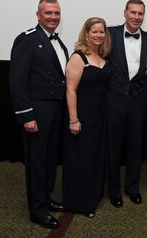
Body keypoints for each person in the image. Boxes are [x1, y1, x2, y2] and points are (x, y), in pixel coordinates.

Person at [9, 0, 68, 229]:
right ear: (38, 15)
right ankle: (37, 210)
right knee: (36, 162)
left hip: (56, 111)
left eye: (56, 13)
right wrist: (27, 115)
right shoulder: (27, 40)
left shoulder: (58, 42)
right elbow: (17, 81)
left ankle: (46, 198)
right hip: (38, 112)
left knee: (50, 159)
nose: (53, 17)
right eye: (48, 13)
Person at [106, 0, 147, 207]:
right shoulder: (109, 34)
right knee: (113, 147)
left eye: (140, 14)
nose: (137, 17)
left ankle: (132, 188)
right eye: (133, 13)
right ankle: (114, 191)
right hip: (114, 98)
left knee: (136, 146)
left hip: (139, 99)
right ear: (125, 13)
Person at [63, 17, 112, 218]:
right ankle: (79, 202)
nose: (99, 35)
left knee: (95, 156)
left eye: (102, 32)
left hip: (101, 116)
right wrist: (74, 119)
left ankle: (93, 196)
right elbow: (70, 90)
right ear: (86, 33)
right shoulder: (78, 57)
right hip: (83, 115)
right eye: (94, 32)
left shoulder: (103, 56)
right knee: (81, 158)